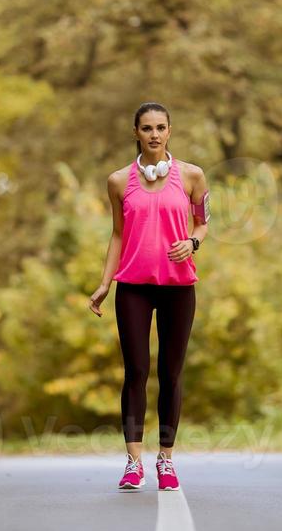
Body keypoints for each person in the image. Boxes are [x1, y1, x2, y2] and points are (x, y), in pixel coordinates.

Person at [88, 102, 210, 491]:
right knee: (136, 372)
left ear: (170, 131)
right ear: (136, 133)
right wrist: (106, 283)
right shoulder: (118, 181)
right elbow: (118, 235)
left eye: (160, 127)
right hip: (134, 288)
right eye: (146, 128)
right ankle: (133, 462)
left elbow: (204, 224)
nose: (154, 134)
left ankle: (167, 461)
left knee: (171, 374)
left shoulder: (192, 176)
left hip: (178, 288)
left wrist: (192, 243)